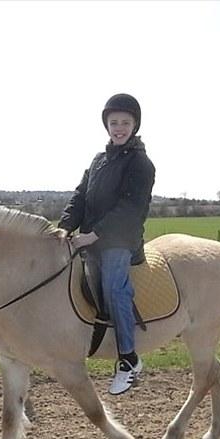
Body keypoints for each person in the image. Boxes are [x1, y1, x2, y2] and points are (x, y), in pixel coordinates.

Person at [58, 93, 156, 395]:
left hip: (119, 240)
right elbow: (80, 196)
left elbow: (129, 210)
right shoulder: (99, 160)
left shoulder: (141, 164)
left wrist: (94, 235)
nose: (119, 128)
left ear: (135, 125)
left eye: (125, 122)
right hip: (89, 238)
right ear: (107, 125)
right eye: (114, 122)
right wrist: (64, 227)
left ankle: (128, 359)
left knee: (115, 288)